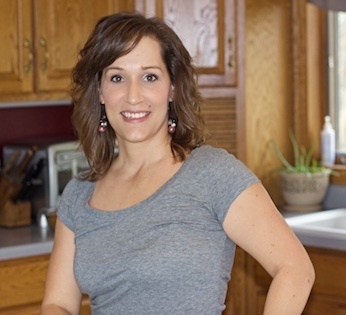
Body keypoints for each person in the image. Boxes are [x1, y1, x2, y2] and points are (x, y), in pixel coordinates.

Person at [41, 12, 315, 315]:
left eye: (150, 77)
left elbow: (295, 269)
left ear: (171, 89)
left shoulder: (212, 174)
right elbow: (58, 303)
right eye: (117, 77)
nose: (133, 96)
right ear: (101, 92)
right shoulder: (79, 195)